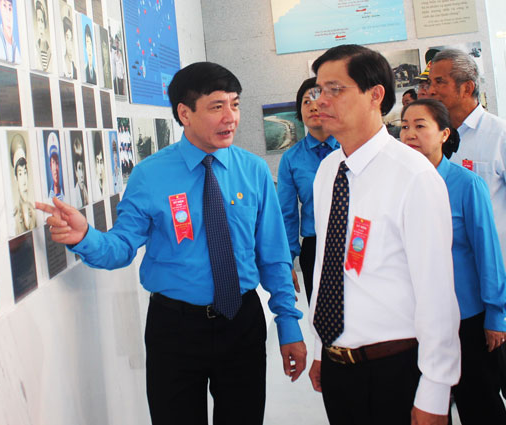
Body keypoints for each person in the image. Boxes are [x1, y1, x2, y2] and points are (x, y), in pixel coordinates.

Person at [36, 61, 306, 425]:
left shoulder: (253, 170)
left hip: (241, 322)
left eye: (235, 104)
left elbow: (273, 258)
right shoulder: (150, 176)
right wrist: (85, 237)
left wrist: (289, 324)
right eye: (217, 107)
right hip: (175, 329)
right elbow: (120, 248)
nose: (231, 117)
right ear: (185, 113)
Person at [307, 44, 460, 425]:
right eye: (318, 89)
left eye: (335, 89)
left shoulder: (414, 177)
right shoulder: (328, 170)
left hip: (394, 368)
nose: (320, 100)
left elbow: (437, 294)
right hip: (338, 366)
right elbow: (328, 267)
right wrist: (318, 348)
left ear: (376, 95)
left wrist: (435, 391)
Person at [427, 48, 506, 425]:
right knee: (476, 391)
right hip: (457, 296)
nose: (431, 88)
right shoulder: (433, 140)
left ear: (467, 87)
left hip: (504, 287)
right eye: (429, 80)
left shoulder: (500, 136)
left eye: (440, 81)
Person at [400, 98, 506, 424]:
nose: (410, 133)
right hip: (417, 322)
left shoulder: (466, 184)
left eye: (421, 126)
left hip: (467, 319)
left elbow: (487, 253)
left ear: (444, 134)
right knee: (429, 409)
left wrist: (496, 314)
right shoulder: (401, 186)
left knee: (480, 403)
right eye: (405, 126)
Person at [277, 77, 339, 304]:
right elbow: (287, 214)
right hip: (315, 248)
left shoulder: (351, 148)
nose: (313, 106)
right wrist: (286, 261)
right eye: (306, 102)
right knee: (325, 319)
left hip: (357, 241)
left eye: (319, 98)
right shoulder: (291, 159)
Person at [10, 133, 36, 235]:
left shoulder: (34, 213)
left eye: (25, 172)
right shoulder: (14, 218)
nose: (24, 181)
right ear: (15, 177)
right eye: (20, 173)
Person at [34, 0, 51, 71]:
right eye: (38, 20)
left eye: (41, 20)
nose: (40, 26)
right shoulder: (35, 47)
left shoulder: (50, 50)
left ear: (45, 23)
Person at [71, 133, 89, 208]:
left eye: (82, 168)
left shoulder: (86, 193)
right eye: (79, 168)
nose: (81, 175)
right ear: (75, 171)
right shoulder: (74, 194)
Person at [46, 133, 64, 201]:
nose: (55, 168)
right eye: (53, 162)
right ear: (50, 166)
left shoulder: (64, 195)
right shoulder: (48, 199)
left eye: (57, 162)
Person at [92, 132, 106, 200]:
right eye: (97, 161)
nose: (100, 167)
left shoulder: (106, 182)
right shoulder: (93, 184)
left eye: (101, 162)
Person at [62, 14, 75, 78]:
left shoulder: (75, 70)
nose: (70, 45)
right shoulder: (61, 67)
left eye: (71, 39)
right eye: (67, 37)